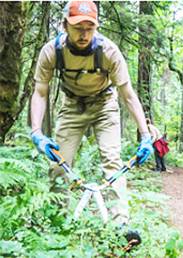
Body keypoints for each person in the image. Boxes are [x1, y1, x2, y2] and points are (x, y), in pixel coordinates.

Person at [30, 0, 153, 243]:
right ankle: (57, 221)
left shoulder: (108, 51)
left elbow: (128, 95)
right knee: (58, 163)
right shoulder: (51, 51)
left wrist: (146, 135)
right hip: (72, 105)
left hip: (105, 105)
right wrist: (36, 132)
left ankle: (120, 225)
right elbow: (40, 92)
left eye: (90, 27)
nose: (84, 33)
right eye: (78, 27)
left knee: (112, 159)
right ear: (65, 25)